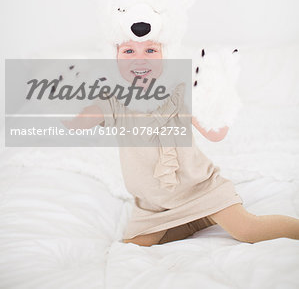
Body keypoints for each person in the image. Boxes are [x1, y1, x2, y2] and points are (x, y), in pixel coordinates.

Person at [63, 39, 299, 247]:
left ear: (165, 53)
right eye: (128, 51)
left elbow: (216, 134)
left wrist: (214, 93)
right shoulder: (113, 100)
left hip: (200, 190)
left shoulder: (181, 92)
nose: (140, 58)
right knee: (133, 247)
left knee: (248, 230)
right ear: (114, 57)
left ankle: (207, 214)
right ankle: (195, 221)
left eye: (150, 50)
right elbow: (77, 123)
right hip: (154, 206)